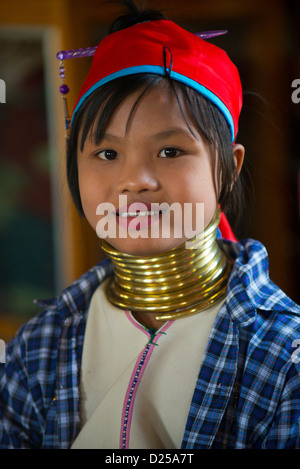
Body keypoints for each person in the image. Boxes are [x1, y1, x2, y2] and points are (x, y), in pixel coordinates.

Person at [1, 1, 300, 449]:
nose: (134, 181)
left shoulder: (284, 359)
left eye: (169, 151)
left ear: (229, 169)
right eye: (107, 154)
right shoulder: (40, 348)